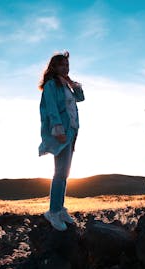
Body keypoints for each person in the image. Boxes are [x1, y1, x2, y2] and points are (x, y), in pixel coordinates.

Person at [38, 51, 84, 231]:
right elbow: (51, 107)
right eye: (62, 65)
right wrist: (58, 128)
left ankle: (60, 208)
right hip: (61, 132)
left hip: (72, 132)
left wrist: (73, 85)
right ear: (54, 67)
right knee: (59, 172)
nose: (66, 67)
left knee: (65, 173)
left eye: (67, 65)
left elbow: (80, 98)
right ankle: (53, 211)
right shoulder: (51, 85)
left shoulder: (66, 85)